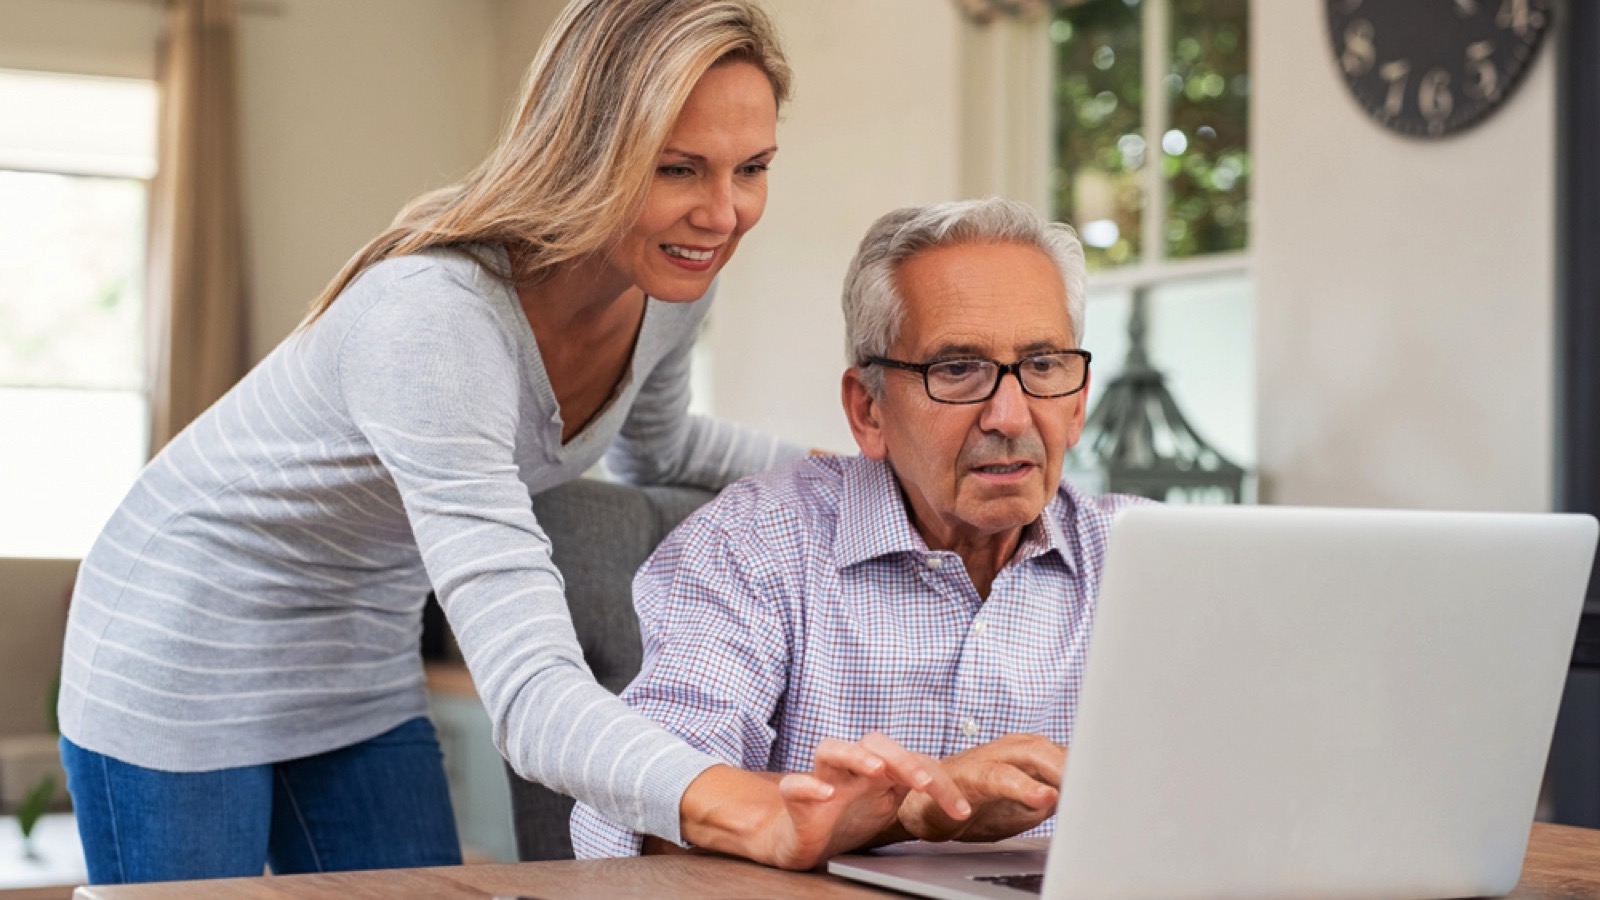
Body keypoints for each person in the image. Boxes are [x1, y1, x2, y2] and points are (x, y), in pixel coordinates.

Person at [55, 0, 967, 884]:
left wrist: (888, 475)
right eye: (678, 169)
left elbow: (662, 445)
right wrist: (751, 809)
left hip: (358, 653)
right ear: (587, 152)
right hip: (182, 637)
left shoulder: (666, 284)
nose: (724, 215)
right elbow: (532, 696)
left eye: (753, 167)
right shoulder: (434, 324)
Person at [571, 197, 1151, 858]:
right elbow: (638, 814)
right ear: (868, 410)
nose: (1011, 416)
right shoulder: (751, 545)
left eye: (1044, 365)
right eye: (957, 369)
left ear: (1078, 404)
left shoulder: (1151, 563)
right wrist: (897, 814)